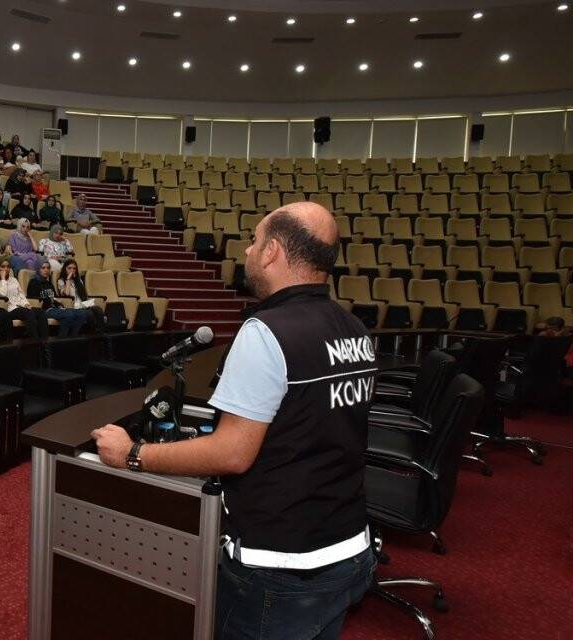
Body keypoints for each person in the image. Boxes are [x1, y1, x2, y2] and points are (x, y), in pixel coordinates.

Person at [91, 202, 376, 640]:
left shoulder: (267, 332)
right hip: (348, 548)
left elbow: (232, 453)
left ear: (273, 251)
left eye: (255, 241)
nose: (247, 250)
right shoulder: (354, 329)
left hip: (281, 567)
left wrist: (131, 453)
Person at [0, 258, 49, 338]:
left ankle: (45, 341)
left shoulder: (13, 279)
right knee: (28, 313)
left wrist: (26, 304)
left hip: (20, 307)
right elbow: (3, 294)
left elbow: (21, 294)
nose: (6, 269)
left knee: (40, 312)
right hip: (8, 310)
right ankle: (34, 342)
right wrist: (3, 279)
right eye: (3, 266)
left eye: (8, 266)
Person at [27, 261, 88, 336]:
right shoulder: (33, 282)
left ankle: (73, 337)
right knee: (69, 315)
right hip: (45, 310)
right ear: (38, 269)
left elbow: (54, 297)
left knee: (82, 313)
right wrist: (51, 300)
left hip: (55, 308)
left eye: (48, 268)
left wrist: (58, 303)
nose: (46, 270)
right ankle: (62, 340)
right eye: (43, 268)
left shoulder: (49, 283)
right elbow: (34, 299)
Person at [539, 316, 573, 382]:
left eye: (552, 329)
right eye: (547, 328)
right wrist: (554, 337)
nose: (549, 331)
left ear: (562, 328)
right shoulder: (546, 338)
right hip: (569, 367)